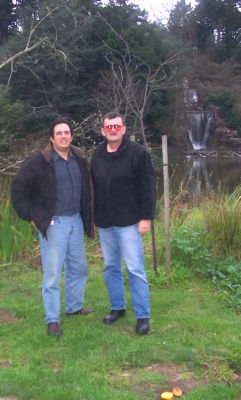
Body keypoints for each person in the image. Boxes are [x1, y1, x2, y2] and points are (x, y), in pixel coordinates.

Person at [11, 118, 94, 337]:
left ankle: (75, 307)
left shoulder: (79, 158)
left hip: (76, 220)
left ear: (71, 136)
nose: (64, 136)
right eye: (59, 133)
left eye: (67, 132)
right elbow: (18, 188)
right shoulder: (39, 161)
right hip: (54, 223)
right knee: (52, 274)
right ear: (52, 138)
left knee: (79, 268)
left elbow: (88, 189)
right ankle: (53, 320)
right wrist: (32, 216)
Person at [91, 111, 156, 335]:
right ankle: (117, 307)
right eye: (109, 127)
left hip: (129, 222)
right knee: (110, 267)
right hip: (105, 223)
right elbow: (94, 188)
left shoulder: (138, 153)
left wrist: (146, 218)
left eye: (117, 127)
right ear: (103, 130)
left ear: (124, 129)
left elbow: (148, 188)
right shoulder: (97, 154)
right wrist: (94, 217)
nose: (113, 130)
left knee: (135, 269)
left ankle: (142, 316)